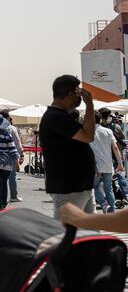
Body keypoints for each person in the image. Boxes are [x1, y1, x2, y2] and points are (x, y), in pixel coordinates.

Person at [38, 75, 96, 220]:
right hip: (69, 188)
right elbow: (88, 135)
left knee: (87, 237)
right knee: (65, 236)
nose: (80, 98)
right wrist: (90, 105)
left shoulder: (60, 116)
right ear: (70, 95)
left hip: (78, 187)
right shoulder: (56, 117)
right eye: (78, 94)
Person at [90, 111, 123, 213]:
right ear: (100, 120)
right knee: (109, 189)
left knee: (94, 186)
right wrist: (120, 163)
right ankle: (111, 210)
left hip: (95, 165)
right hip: (108, 164)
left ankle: (104, 204)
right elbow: (115, 148)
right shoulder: (108, 131)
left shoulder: (88, 132)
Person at [3, 112, 24, 202]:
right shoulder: (12, 128)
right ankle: (13, 196)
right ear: (7, 118)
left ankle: (1, 197)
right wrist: (21, 154)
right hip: (11, 155)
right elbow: (18, 142)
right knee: (12, 176)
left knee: (1, 178)